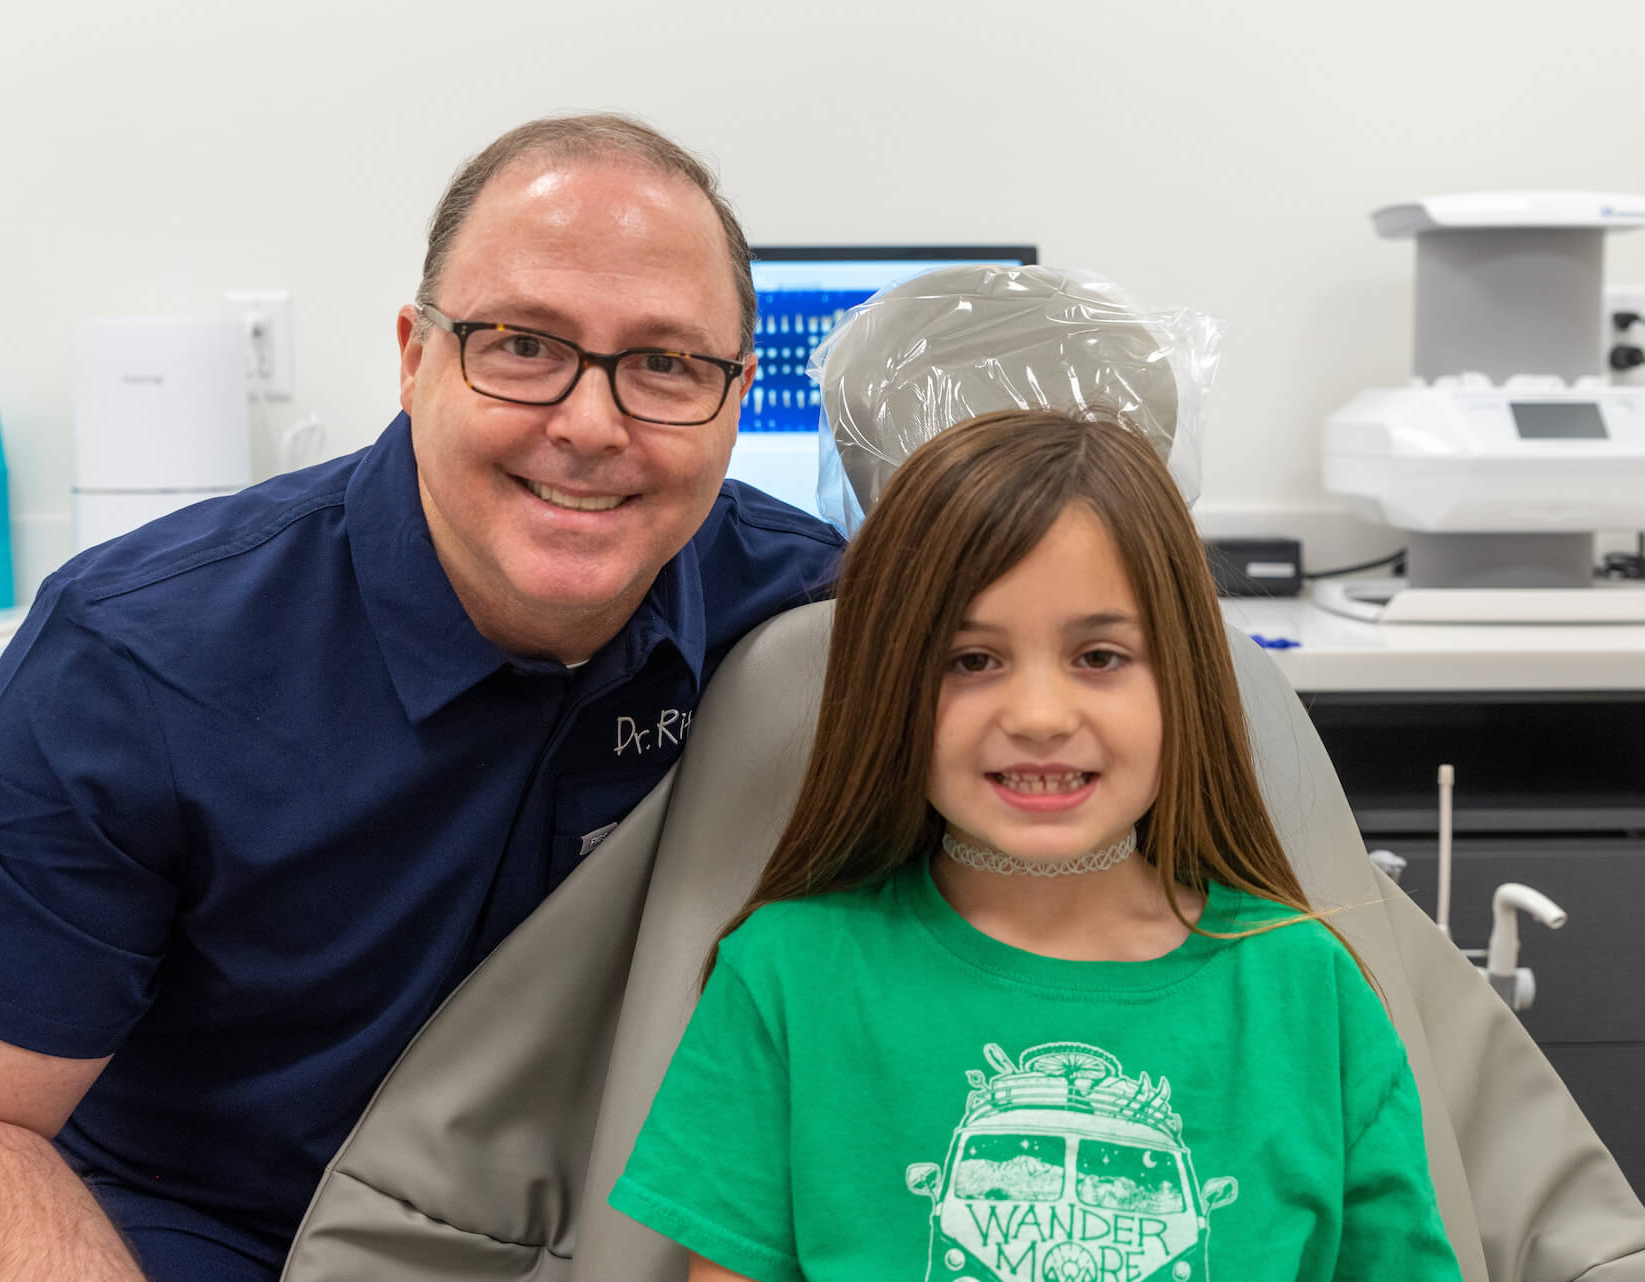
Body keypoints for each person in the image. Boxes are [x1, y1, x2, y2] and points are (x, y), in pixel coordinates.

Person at [0, 114, 843, 1282]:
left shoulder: (807, 622)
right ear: (415, 357)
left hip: (627, 1231)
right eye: (524, 345)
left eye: (666, 364)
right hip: (220, 1235)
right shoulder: (134, 664)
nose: (590, 423)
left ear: (733, 401)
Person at [607, 408, 1464, 1281]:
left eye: (1099, 656)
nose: (1041, 718)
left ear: (1185, 679)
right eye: (971, 661)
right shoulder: (786, 980)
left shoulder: (1310, 991)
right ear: (889, 690)